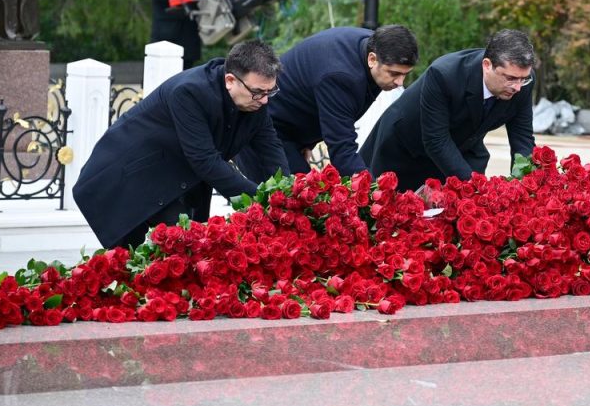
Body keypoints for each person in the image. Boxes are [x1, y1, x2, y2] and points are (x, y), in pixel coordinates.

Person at [73, 39, 289, 249]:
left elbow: (270, 148)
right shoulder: (190, 91)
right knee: (151, 258)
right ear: (230, 80)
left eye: (270, 92)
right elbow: (204, 160)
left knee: (191, 252)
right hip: (127, 179)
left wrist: (287, 194)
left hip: (175, 178)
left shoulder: (253, 100)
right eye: (258, 92)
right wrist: (261, 199)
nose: (264, 100)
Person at [233, 24, 418, 180]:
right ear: (372, 59)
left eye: (405, 74)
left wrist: (307, 142)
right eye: (394, 74)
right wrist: (376, 195)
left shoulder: (376, 47)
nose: (400, 82)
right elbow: (342, 150)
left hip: (290, 129)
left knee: (308, 195)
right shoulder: (341, 77)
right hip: (260, 130)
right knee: (296, 201)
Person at [360, 29, 536, 192]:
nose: (518, 87)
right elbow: (436, 139)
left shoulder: (522, 83)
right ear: (487, 65)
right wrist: (473, 187)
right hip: (406, 149)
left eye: (523, 79)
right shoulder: (444, 75)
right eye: (511, 78)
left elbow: (522, 139)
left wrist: (526, 190)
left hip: (463, 149)